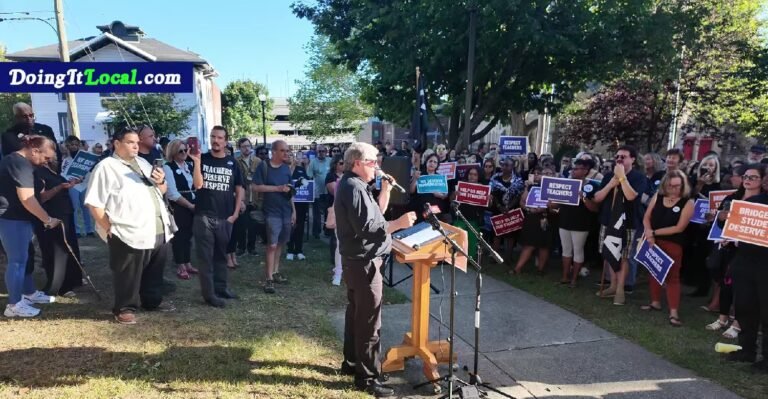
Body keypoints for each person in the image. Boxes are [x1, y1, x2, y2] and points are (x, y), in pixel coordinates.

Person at [336, 142, 416, 397]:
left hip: (361, 261)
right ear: (357, 163)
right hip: (364, 263)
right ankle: (368, 378)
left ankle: (351, 363)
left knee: (356, 313)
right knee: (369, 320)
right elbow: (368, 229)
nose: (377, 166)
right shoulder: (351, 187)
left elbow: (376, 216)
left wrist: (386, 190)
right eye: (373, 162)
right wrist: (399, 224)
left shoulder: (358, 185)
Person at [85, 128, 173, 324]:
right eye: (130, 142)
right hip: (127, 230)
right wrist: (109, 228)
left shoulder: (142, 162)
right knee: (128, 273)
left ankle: (152, 301)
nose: (136, 146)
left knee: (154, 271)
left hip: (156, 227)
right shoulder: (106, 167)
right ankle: (124, 308)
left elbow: (162, 190)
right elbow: (94, 203)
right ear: (117, 144)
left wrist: (161, 182)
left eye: (137, 142)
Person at [0, 135, 61, 318]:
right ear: (34, 150)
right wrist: (48, 219)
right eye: (46, 158)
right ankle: (14, 305)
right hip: (11, 219)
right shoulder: (19, 164)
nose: (46, 162)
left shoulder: (20, 162)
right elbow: (28, 199)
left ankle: (29, 293)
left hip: (20, 219)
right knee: (17, 260)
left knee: (25, 258)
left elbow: (37, 196)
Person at [188, 126, 244, 308]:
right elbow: (197, 185)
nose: (216, 140)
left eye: (220, 138)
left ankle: (221, 288)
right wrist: (196, 162)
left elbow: (239, 188)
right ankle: (209, 294)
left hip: (225, 218)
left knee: (221, 256)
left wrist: (235, 215)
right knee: (205, 258)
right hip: (204, 216)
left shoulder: (232, 163)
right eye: (213, 137)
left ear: (226, 141)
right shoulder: (202, 159)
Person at [589, 145, 647, 306]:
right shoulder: (608, 176)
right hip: (608, 220)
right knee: (609, 253)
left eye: (623, 156)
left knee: (624, 257)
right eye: (617, 157)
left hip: (628, 223)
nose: (619, 159)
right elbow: (598, 198)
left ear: (633, 159)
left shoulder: (639, 177)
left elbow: (631, 196)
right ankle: (612, 285)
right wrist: (612, 183)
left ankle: (620, 288)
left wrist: (622, 178)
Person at [723, 165, 768, 370]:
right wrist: (724, 219)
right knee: (744, 307)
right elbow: (730, 227)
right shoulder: (754, 202)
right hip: (745, 261)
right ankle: (746, 350)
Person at [641, 170, 694, 327]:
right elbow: (646, 217)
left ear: (683, 185)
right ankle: (655, 302)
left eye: (678, 186)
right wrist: (649, 235)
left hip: (673, 243)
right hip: (652, 242)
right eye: (671, 186)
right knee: (653, 272)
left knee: (673, 277)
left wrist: (653, 232)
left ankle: (673, 312)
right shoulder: (658, 197)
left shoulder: (688, 203)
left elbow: (679, 228)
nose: (674, 189)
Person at [34, 154, 83, 297]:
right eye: (55, 158)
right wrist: (59, 187)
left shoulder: (56, 173)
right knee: (57, 250)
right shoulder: (39, 173)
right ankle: (60, 285)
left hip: (65, 213)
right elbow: (42, 197)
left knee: (70, 247)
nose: (58, 161)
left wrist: (70, 184)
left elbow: (63, 186)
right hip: (51, 216)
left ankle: (73, 279)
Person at [252, 140, 296, 294]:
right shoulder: (264, 167)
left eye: (287, 150)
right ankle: (268, 279)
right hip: (271, 212)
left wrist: (294, 211)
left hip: (286, 211)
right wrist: (276, 188)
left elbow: (290, 192)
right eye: (283, 150)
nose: (286, 153)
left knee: (280, 243)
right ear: (275, 152)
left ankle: (276, 272)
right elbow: (255, 186)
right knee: (271, 245)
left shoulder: (286, 168)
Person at [551, 159, 598, 286]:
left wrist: (582, 196)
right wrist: (550, 204)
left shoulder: (591, 186)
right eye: (573, 168)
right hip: (565, 221)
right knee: (566, 250)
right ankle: (565, 276)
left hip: (581, 224)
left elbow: (594, 208)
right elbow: (556, 204)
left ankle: (574, 279)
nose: (573, 171)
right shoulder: (566, 184)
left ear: (585, 171)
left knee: (578, 250)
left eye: (577, 169)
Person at [163, 139, 198, 280]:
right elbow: (172, 192)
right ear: (173, 152)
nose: (184, 153)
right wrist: (190, 206)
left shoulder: (189, 165)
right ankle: (180, 265)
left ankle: (188, 262)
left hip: (193, 203)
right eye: (180, 151)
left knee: (189, 235)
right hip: (179, 205)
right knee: (179, 236)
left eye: (185, 150)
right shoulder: (168, 167)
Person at [512, 166, 556, 274]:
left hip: (547, 218)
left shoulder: (555, 188)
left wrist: (544, 208)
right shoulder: (532, 186)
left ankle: (540, 270)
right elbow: (522, 201)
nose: (545, 175)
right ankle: (518, 268)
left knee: (544, 245)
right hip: (532, 218)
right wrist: (529, 208)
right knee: (529, 244)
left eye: (549, 173)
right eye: (543, 173)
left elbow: (557, 206)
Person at [2, 103, 61, 167]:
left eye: (31, 115)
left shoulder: (45, 129)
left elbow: (56, 152)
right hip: (25, 171)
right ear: (17, 118)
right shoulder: (9, 135)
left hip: (49, 170)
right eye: (24, 116)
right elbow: (11, 160)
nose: (29, 119)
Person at [232, 138, 261, 256]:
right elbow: (234, 181)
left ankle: (252, 247)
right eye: (244, 146)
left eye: (248, 146)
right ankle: (241, 247)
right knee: (241, 224)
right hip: (241, 196)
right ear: (239, 148)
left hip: (254, 196)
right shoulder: (235, 161)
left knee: (253, 224)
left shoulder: (257, 161)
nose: (247, 148)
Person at [63, 135, 95, 237]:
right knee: (75, 208)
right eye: (71, 144)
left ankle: (89, 229)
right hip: (73, 186)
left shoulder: (85, 157)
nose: (74, 147)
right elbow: (64, 173)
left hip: (84, 184)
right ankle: (77, 230)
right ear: (67, 146)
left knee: (86, 207)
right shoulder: (66, 160)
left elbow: (90, 169)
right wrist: (72, 180)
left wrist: (83, 177)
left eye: (76, 144)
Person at [325, 154, 345, 285]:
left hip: (354, 215)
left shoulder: (359, 179)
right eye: (341, 163)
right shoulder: (338, 180)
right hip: (341, 213)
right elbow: (336, 198)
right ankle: (338, 273)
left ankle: (345, 270)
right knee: (339, 244)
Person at [286, 151, 309, 261]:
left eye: (291, 155)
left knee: (300, 226)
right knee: (290, 226)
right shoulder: (282, 170)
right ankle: (290, 249)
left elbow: (307, 183)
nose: (289, 157)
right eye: (287, 155)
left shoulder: (300, 169)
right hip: (287, 202)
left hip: (301, 202)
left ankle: (299, 250)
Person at [307, 145, 332, 239]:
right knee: (316, 213)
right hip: (317, 191)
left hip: (328, 191)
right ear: (317, 152)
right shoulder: (313, 162)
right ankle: (316, 232)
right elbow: (309, 176)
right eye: (319, 151)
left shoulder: (330, 161)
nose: (321, 153)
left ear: (326, 152)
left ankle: (327, 230)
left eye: (323, 151)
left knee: (328, 212)